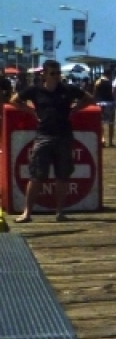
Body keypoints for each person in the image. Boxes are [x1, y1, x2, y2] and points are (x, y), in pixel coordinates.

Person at [9, 60, 93, 223]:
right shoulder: (35, 90)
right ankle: (27, 212)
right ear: (44, 75)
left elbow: (89, 99)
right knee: (37, 175)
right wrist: (31, 111)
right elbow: (14, 100)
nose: (56, 76)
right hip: (43, 135)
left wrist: (75, 109)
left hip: (64, 136)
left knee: (62, 176)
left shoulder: (67, 89)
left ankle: (59, 212)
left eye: (58, 73)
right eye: (53, 73)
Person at [92, 74, 115, 147]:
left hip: (100, 103)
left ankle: (102, 138)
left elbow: (94, 94)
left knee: (101, 122)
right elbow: (113, 93)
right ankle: (110, 141)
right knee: (111, 123)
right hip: (110, 103)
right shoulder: (111, 82)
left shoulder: (98, 82)